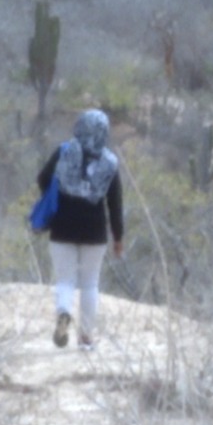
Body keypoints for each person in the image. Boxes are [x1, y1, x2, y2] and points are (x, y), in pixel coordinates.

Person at [36, 109, 124, 350]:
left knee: (65, 280)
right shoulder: (110, 162)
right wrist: (118, 237)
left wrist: (58, 191)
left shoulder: (64, 151)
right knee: (89, 284)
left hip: (62, 228)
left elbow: (42, 178)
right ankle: (85, 338)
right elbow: (115, 203)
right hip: (94, 232)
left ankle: (64, 312)